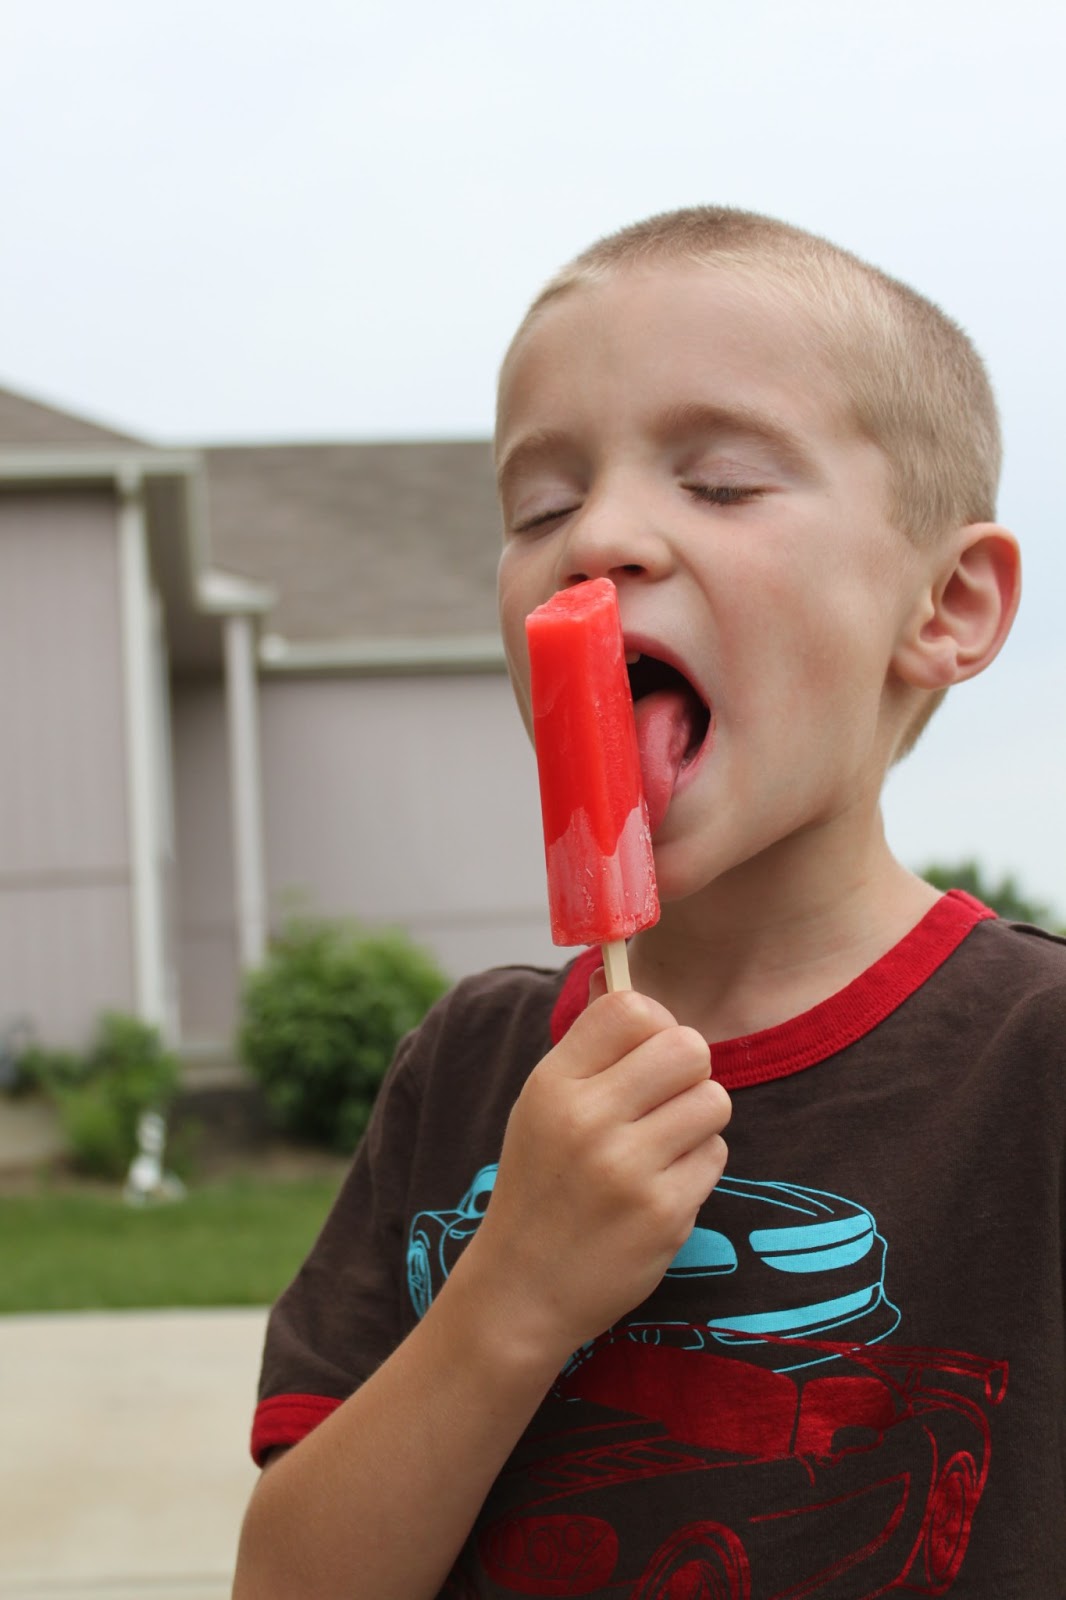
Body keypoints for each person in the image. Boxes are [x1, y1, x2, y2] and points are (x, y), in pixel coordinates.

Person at [233, 208, 1064, 1599]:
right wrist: (511, 1298)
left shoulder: (1032, 1067)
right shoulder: (469, 1071)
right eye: (540, 508)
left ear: (948, 605)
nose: (598, 538)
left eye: (723, 483)